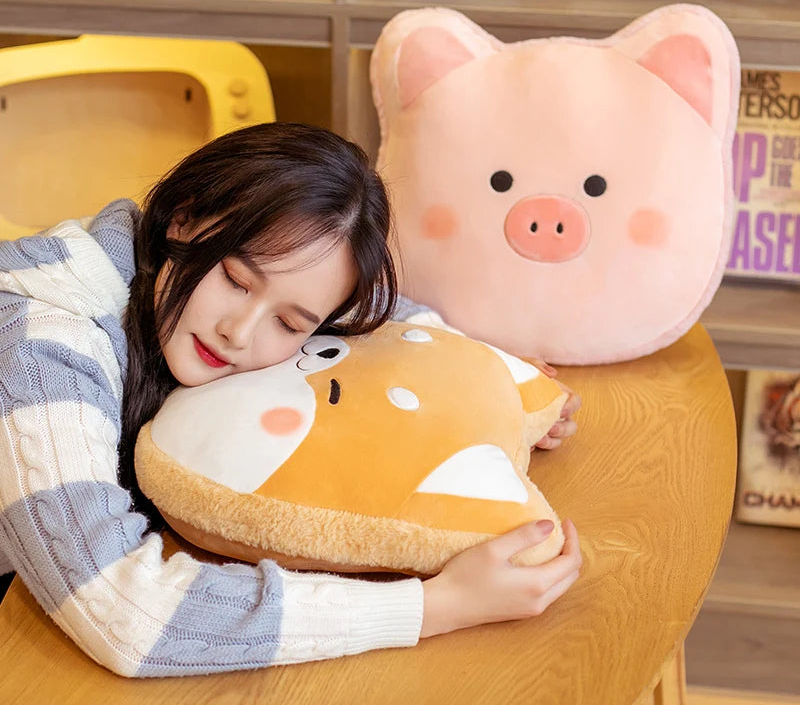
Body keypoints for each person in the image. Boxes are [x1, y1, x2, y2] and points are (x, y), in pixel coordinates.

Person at [0, 122, 582, 677]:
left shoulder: (208, 292)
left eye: (289, 321)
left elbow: (383, 320)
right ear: (182, 219)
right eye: (234, 279)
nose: (240, 331)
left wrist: (494, 379)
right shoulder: (45, 340)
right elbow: (123, 610)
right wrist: (437, 606)